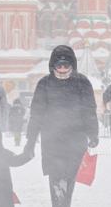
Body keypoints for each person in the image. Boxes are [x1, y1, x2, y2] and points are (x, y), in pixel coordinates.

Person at [24, 45, 99, 207]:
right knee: (56, 177)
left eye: (66, 65)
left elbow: (89, 110)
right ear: (53, 66)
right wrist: (30, 141)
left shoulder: (82, 82)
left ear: (72, 65)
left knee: (70, 177)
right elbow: (36, 114)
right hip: (53, 140)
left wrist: (93, 133)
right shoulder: (44, 84)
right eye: (60, 65)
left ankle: (64, 202)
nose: (63, 69)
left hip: (75, 139)